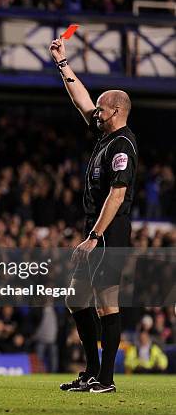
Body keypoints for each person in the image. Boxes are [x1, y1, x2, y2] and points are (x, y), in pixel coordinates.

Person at [50, 37, 138, 393]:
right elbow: (81, 100)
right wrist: (62, 64)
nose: (95, 113)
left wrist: (95, 236)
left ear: (116, 111)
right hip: (96, 229)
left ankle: (106, 379)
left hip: (110, 232)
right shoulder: (105, 136)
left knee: (106, 301)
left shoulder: (123, 147)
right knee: (76, 299)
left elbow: (117, 195)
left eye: (102, 109)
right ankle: (91, 371)